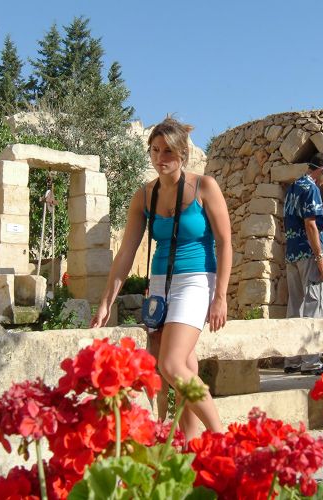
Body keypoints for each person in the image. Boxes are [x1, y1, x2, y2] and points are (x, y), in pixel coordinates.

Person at [90, 116, 231, 439]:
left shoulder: (204, 187)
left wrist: (220, 296)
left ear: (182, 154)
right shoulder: (144, 195)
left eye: (167, 151)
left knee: (171, 364)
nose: (159, 158)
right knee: (183, 368)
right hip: (160, 285)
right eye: (154, 150)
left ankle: (221, 438)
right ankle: (192, 446)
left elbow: (225, 243)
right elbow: (126, 253)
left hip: (197, 280)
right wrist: (105, 303)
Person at [282, 152, 323, 375]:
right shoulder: (311, 188)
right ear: (322, 169)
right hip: (309, 254)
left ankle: (292, 359)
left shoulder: (293, 187)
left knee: (294, 306)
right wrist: (320, 258)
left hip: (292, 253)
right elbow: (311, 224)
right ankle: (312, 361)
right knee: (316, 306)